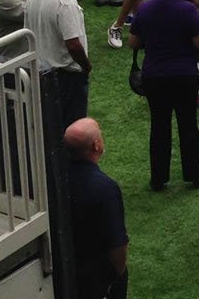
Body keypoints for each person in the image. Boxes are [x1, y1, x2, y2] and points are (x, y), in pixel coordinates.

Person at [130, 0, 199, 192]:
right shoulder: (187, 10)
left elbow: (133, 41)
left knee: (159, 126)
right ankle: (196, 174)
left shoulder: (145, 8)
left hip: (154, 75)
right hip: (183, 75)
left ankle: (158, 178)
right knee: (187, 125)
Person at [64, 119, 129, 299]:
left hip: (68, 269)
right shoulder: (105, 188)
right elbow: (117, 244)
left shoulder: (57, 180)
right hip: (97, 278)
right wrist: (117, 275)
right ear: (96, 145)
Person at [26, 0, 92, 123]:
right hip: (66, 76)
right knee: (72, 127)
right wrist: (86, 66)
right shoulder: (65, 1)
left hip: (42, 72)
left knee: (52, 128)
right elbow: (73, 45)